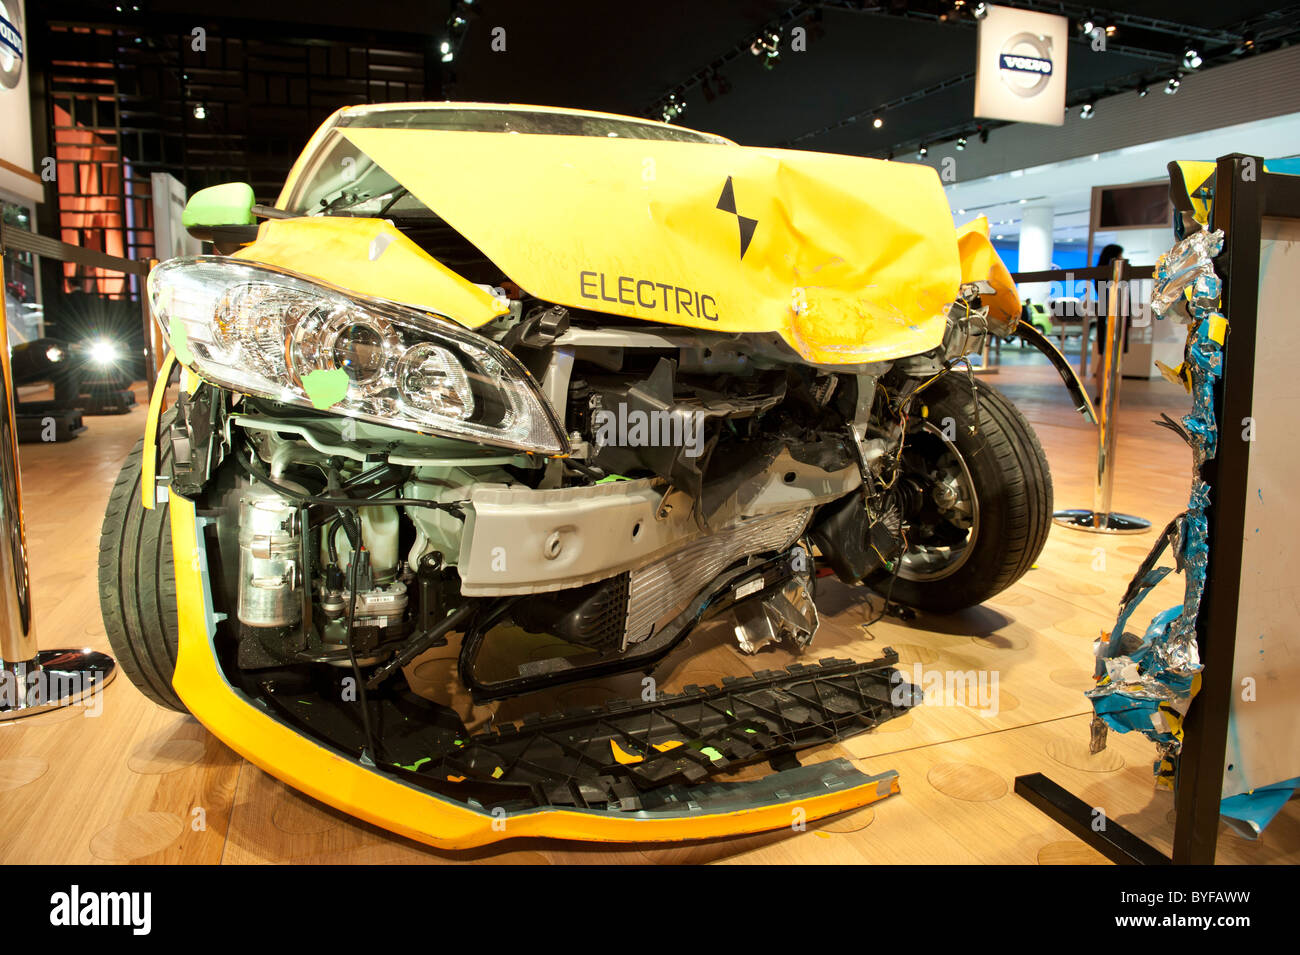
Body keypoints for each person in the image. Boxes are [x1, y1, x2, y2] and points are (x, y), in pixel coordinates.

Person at [1093, 244, 1124, 403]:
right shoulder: (1109, 277)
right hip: (1109, 319)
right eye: (1119, 256)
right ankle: (1103, 394)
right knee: (1106, 358)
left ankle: (1104, 394)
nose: (1122, 259)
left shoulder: (1106, 276)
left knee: (1107, 358)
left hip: (1111, 318)